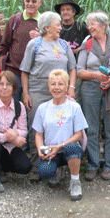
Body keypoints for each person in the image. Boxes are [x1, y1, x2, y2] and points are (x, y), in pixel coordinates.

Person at [20, 11, 77, 183]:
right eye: (57, 24)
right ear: (46, 27)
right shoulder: (34, 45)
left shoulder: (64, 45)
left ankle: (57, 166)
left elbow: (72, 68)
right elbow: (25, 70)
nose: (61, 27)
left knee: (59, 127)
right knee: (36, 129)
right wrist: (26, 93)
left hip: (60, 92)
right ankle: (37, 166)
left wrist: (71, 88)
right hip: (38, 91)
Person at [77, 11, 110, 181]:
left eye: (92, 24)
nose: (89, 27)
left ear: (103, 26)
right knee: (91, 128)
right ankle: (92, 164)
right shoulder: (87, 44)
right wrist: (96, 75)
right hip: (90, 88)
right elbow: (79, 71)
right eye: (88, 24)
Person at [33, 69, 88, 201]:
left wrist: (61, 145)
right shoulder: (42, 108)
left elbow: (78, 134)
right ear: (49, 86)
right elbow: (38, 134)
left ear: (67, 87)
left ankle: (75, 182)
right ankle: (59, 170)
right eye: (53, 84)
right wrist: (41, 149)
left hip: (69, 148)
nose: (56, 88)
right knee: (45, 172)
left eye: (61, 84)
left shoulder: (74, 107)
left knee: (72, 148)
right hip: (52, 152)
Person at [0, 0, 42, 102]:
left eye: (34, 1)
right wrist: (4, 71)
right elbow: (4, 47)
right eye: (27, 1)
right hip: (14, 73)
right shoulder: (15, 20)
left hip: (35, 75)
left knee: (32, 109)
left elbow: (51, 46)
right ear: (23, 1)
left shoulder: (44, 22)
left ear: (40, 3)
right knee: (13, 107)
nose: (30, 4)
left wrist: (41, 38)